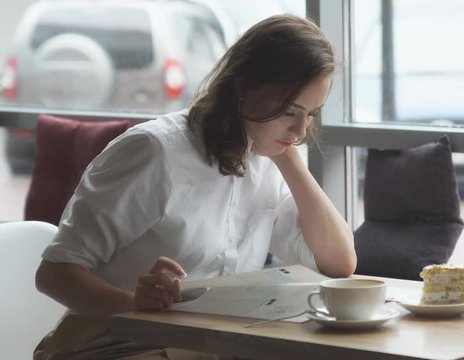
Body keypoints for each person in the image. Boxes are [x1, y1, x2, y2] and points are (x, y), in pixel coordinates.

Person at [33, 14, 356, 359]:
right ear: (243, 88)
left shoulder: (269, 157)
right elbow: (54, 274)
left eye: (312, 114)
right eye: (290, 111)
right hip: (114, 346)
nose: (302, 130)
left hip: (205, 346)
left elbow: (339, 262)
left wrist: (288, 159)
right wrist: (136, 305)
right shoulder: (153, 153)